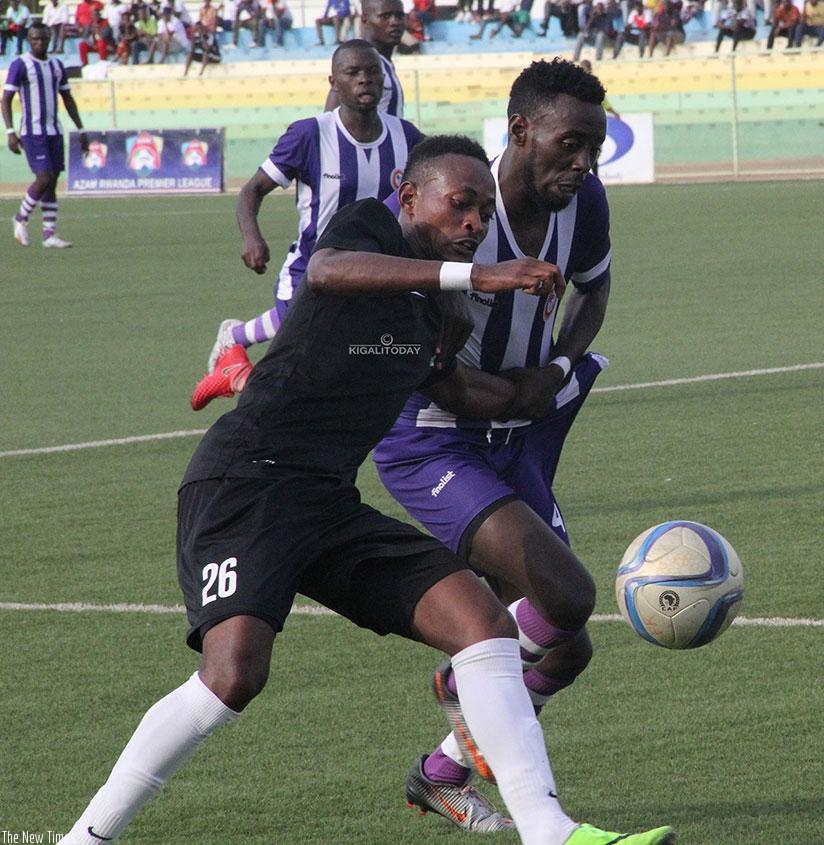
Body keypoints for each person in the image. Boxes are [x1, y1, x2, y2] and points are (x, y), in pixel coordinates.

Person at [60, 133, 675, 845]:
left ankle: (550, 831)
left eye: (482, 211)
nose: (474, 224)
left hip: (325, 502)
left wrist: (548, 382)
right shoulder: (367, 226)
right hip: (245, 484)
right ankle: (86, 837)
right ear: (410, 197)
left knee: (483, 622)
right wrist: (471, 280)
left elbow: (446, 386)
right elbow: (326, 269)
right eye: (460, 205)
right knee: (233, 675)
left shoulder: (432, 313)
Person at [371, 58, 616, 834]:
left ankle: (437, 771)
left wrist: (559, 366)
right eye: (569, 145)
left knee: (568, 649)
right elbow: (420, 363)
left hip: (522, 424)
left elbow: (596, 289)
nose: (582, 165)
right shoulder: (451, 206)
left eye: (595, 150)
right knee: (567, 598)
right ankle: (464, 674)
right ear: (520, 131)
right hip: (435, 438)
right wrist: (507, 393)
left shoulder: (586, 201)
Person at [190, 39, 422, 410]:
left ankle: (235, 346)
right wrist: (251, 237)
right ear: (334, 82)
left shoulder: (406, 138)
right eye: (353, 73)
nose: (365, 80)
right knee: (305, 366)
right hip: (312, 268)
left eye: (372, 72)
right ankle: (235, 360)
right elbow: (251, 190)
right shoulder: (309, 135)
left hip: (378, 272)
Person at [3, 23, 89, 249]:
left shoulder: (56, 65)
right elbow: (6, 99)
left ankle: (49, 234)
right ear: (29, 41)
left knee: (52, 182)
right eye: (35, 39)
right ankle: (20, 218)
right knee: (43, 178)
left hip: (54, 131)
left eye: (43, 39)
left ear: (49, 40)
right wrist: (10, 131)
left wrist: (81, 129)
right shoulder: (20, 64)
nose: (39, 43)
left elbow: (68, 99)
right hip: (33, 132)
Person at [324, 0, 406, 116]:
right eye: (385, 16)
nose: (395, 22)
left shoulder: (384, 62)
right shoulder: (357, 62)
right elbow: (329, 121)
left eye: (400, 16)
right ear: (364, 20)